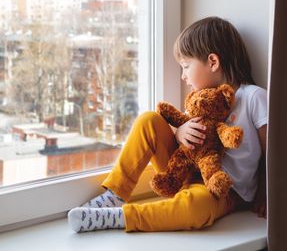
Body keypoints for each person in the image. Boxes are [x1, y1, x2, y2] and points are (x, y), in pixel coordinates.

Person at [67, 16, 267, 232]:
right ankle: (114, 195)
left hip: (222, 191)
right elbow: (180, 129)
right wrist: (180, 132)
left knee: (194, 209)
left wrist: (267, 194)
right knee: (148, 120)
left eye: (186, 66)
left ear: (213, 62)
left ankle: (118, 218)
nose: (183, 76)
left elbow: (272, 153)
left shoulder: (253, 98)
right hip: (183, 171)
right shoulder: (200, 99)